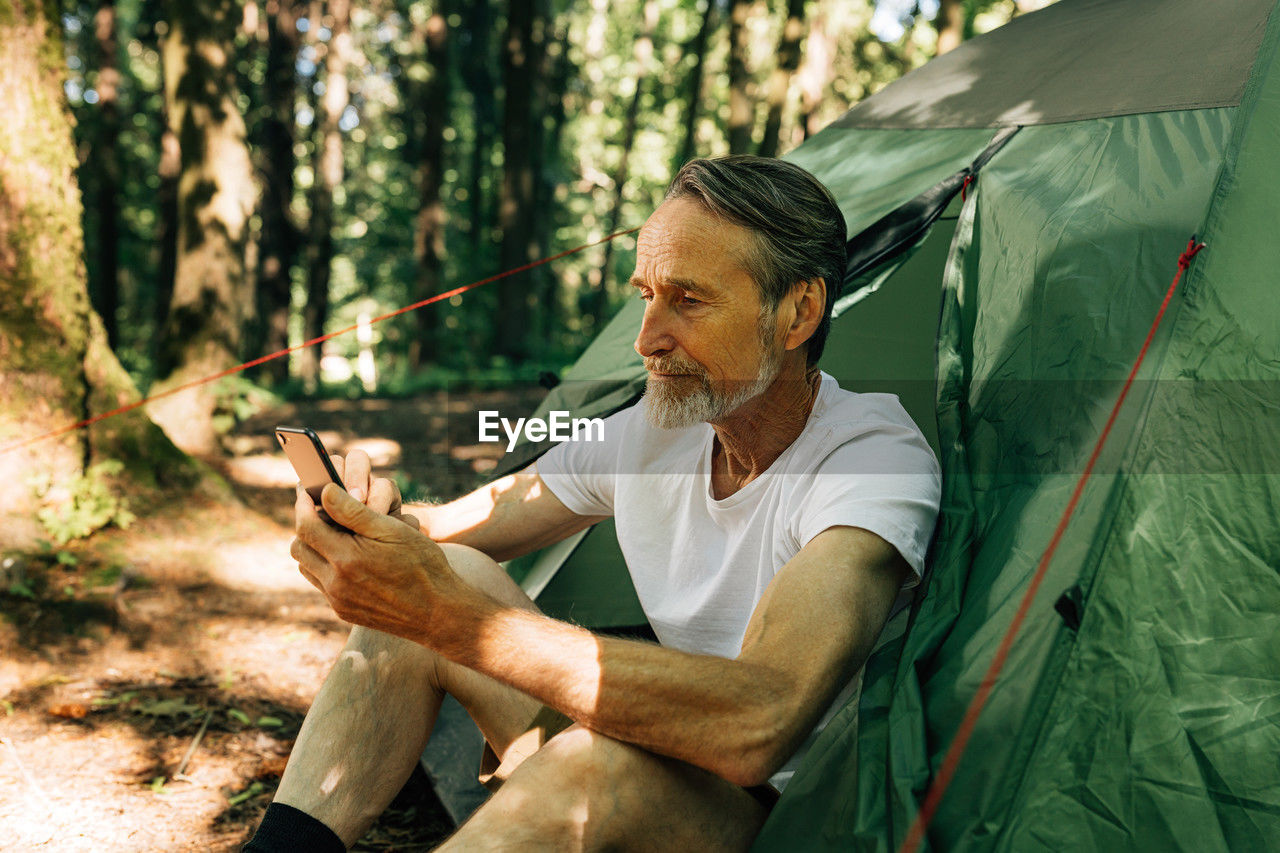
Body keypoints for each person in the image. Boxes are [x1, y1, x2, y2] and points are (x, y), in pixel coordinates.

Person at [245, 156, 941, 852]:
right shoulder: (659, 429)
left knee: (585, 765)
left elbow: (762, 718)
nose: (647, 340)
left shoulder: (870, 460)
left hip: (785, 819)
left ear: (799, 312)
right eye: (646, 295)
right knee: (439, 576)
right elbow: (467, 521)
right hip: (659, 754)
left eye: (689, 300)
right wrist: (368, 518)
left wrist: (449, 613)